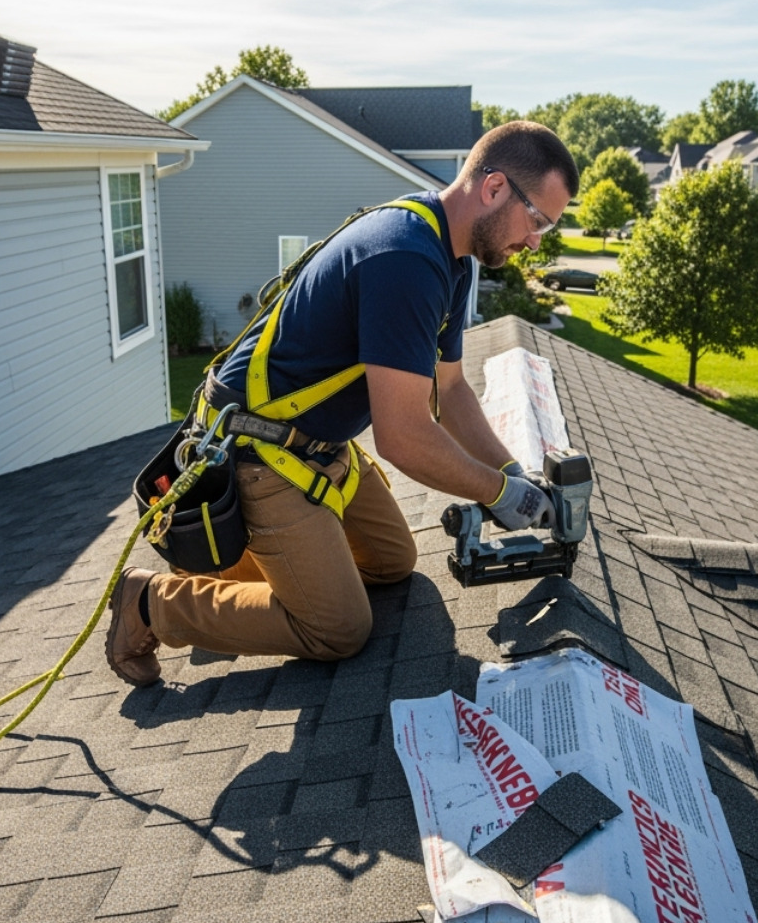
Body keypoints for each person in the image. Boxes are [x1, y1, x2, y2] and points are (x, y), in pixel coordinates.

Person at [106, 121, 579, 686]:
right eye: (539, 220)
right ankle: (151, 605)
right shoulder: (404, 258)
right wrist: (501, 496)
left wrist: (511, 475)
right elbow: (402, 438)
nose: (536, 241)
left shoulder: (450, 256)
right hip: (259, 449)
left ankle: (242, 573)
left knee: (392, 562)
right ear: (495, 188)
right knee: (339, 630)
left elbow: (448, 390)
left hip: (316, 445)